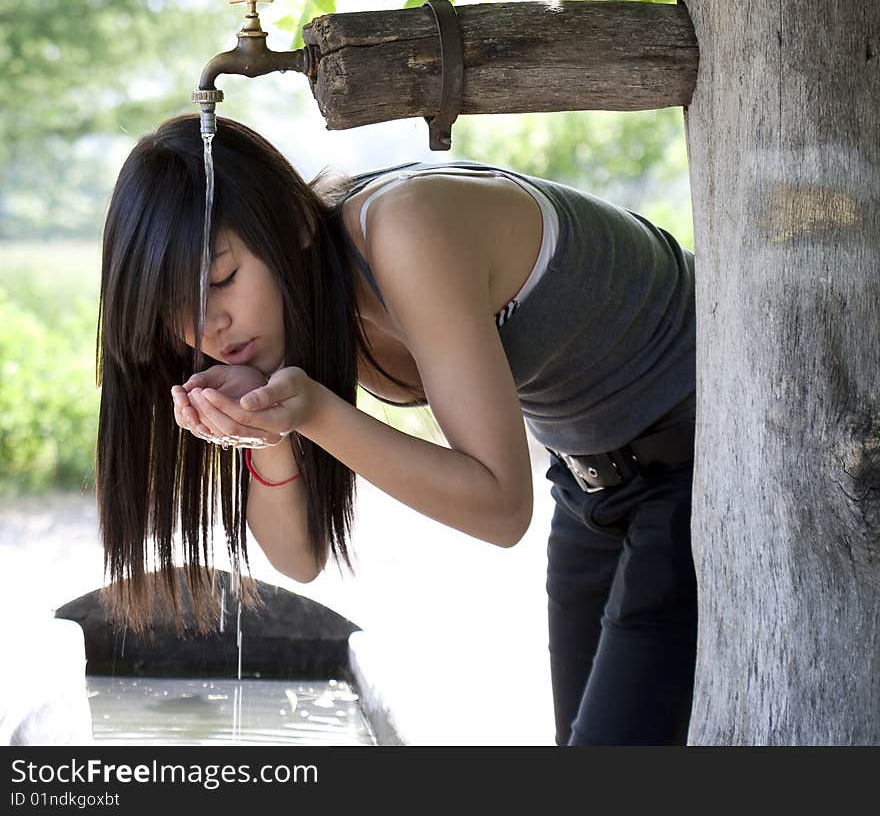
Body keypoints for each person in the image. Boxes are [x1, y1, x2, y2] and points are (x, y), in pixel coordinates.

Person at [96, 113, 698, 746]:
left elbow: (499, 507)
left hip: (706, 444)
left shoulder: (403, 231)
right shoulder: (286, 316)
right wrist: (266, 430)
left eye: (221, 280)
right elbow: (299, 558)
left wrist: (316, 413)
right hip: (591, 481)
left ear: (295, 225)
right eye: (177, 312)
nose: (210, 328)